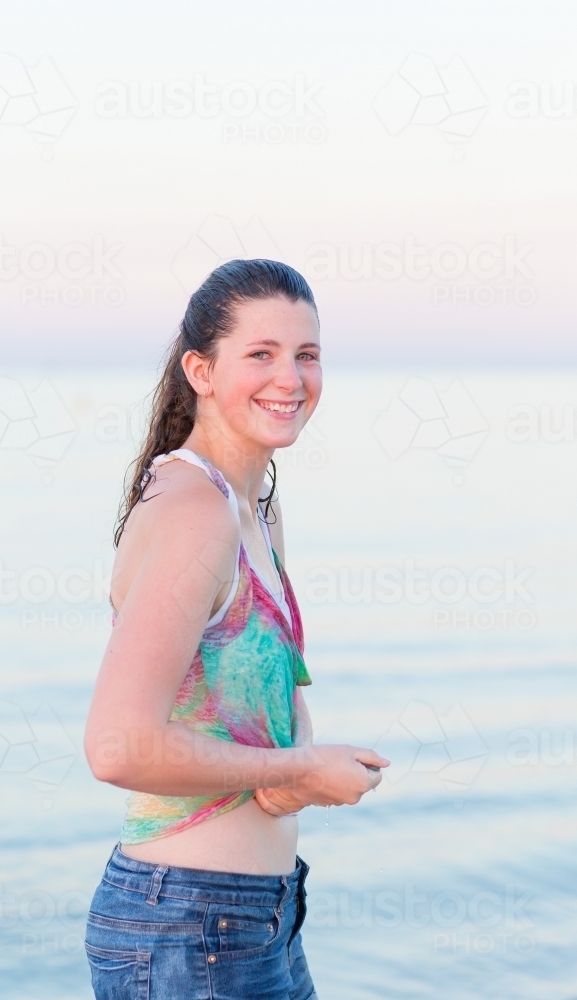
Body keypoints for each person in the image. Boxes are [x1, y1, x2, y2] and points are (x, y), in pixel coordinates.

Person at [83, 259, 390, 1000]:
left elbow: (260, 698)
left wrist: (297, 770)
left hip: (257, 919)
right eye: (260, 354)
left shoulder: (256, 504)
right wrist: (294, 771)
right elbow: (117, 746)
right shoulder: (195, 512)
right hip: (188, 926)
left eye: (306, 355)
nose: (290, 377)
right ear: (200, 369)